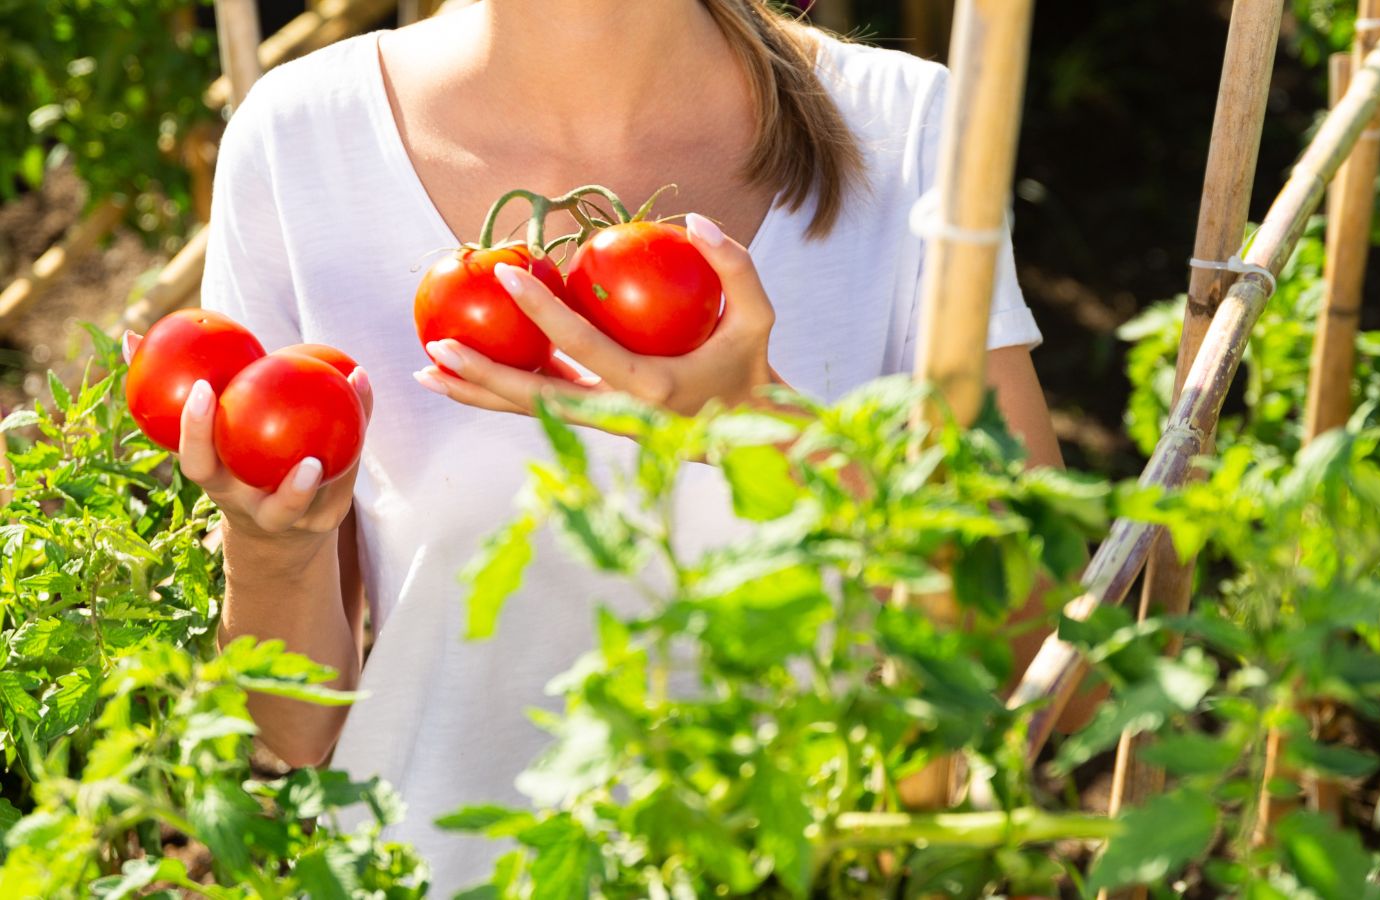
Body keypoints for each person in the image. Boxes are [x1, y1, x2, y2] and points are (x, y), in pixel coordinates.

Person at [164, 0, 1062, 889]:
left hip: (803, 866)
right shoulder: (301, 140)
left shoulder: (906, 129)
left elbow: (1053, 665)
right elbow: (294, 730)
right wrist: (272, 546)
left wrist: (767, 429)